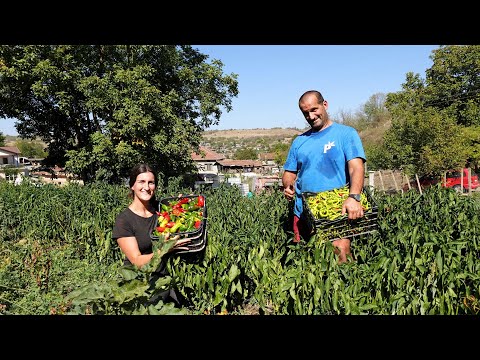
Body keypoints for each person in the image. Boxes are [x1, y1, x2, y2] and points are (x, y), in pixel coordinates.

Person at [282, 90, 366, 264]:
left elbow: (356, 167)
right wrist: (288, 186)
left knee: (340, 251)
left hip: (336, 207)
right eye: (306, 113)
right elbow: (289, 173)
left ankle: (346, 289)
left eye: (314, 109)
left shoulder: (345, 134)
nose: (311, 116)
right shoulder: (299, 141)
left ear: (325, 105)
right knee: (309, 258)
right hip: (304, 210)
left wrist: (354, 197)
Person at [112, 163, 191, 306]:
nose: (147, 187)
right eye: (141, 182)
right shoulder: (124, 220)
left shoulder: (160, 210)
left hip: (164, 279)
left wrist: (182, 208)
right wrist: (165, 250)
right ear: (132, 185)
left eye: (151, 183)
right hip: (139, 284)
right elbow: (136, 261)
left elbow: (180, 225)